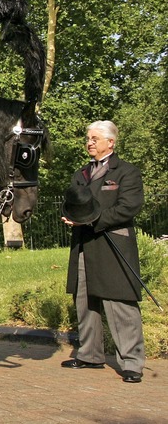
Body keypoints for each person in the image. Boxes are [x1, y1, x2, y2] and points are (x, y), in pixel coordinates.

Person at [60, 120, 145, 383]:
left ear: (111, 142)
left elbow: (129, 207)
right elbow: (73, 204)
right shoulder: (80, 173)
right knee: (85, 302)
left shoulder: (127, 173)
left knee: (119, 302)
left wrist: (93, 220)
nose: (89, 142)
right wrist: (70, 217)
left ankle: (132, 363)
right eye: (88, 138)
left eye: (95, 138)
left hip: (113, 244)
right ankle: (89, 355)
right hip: (84, 245)